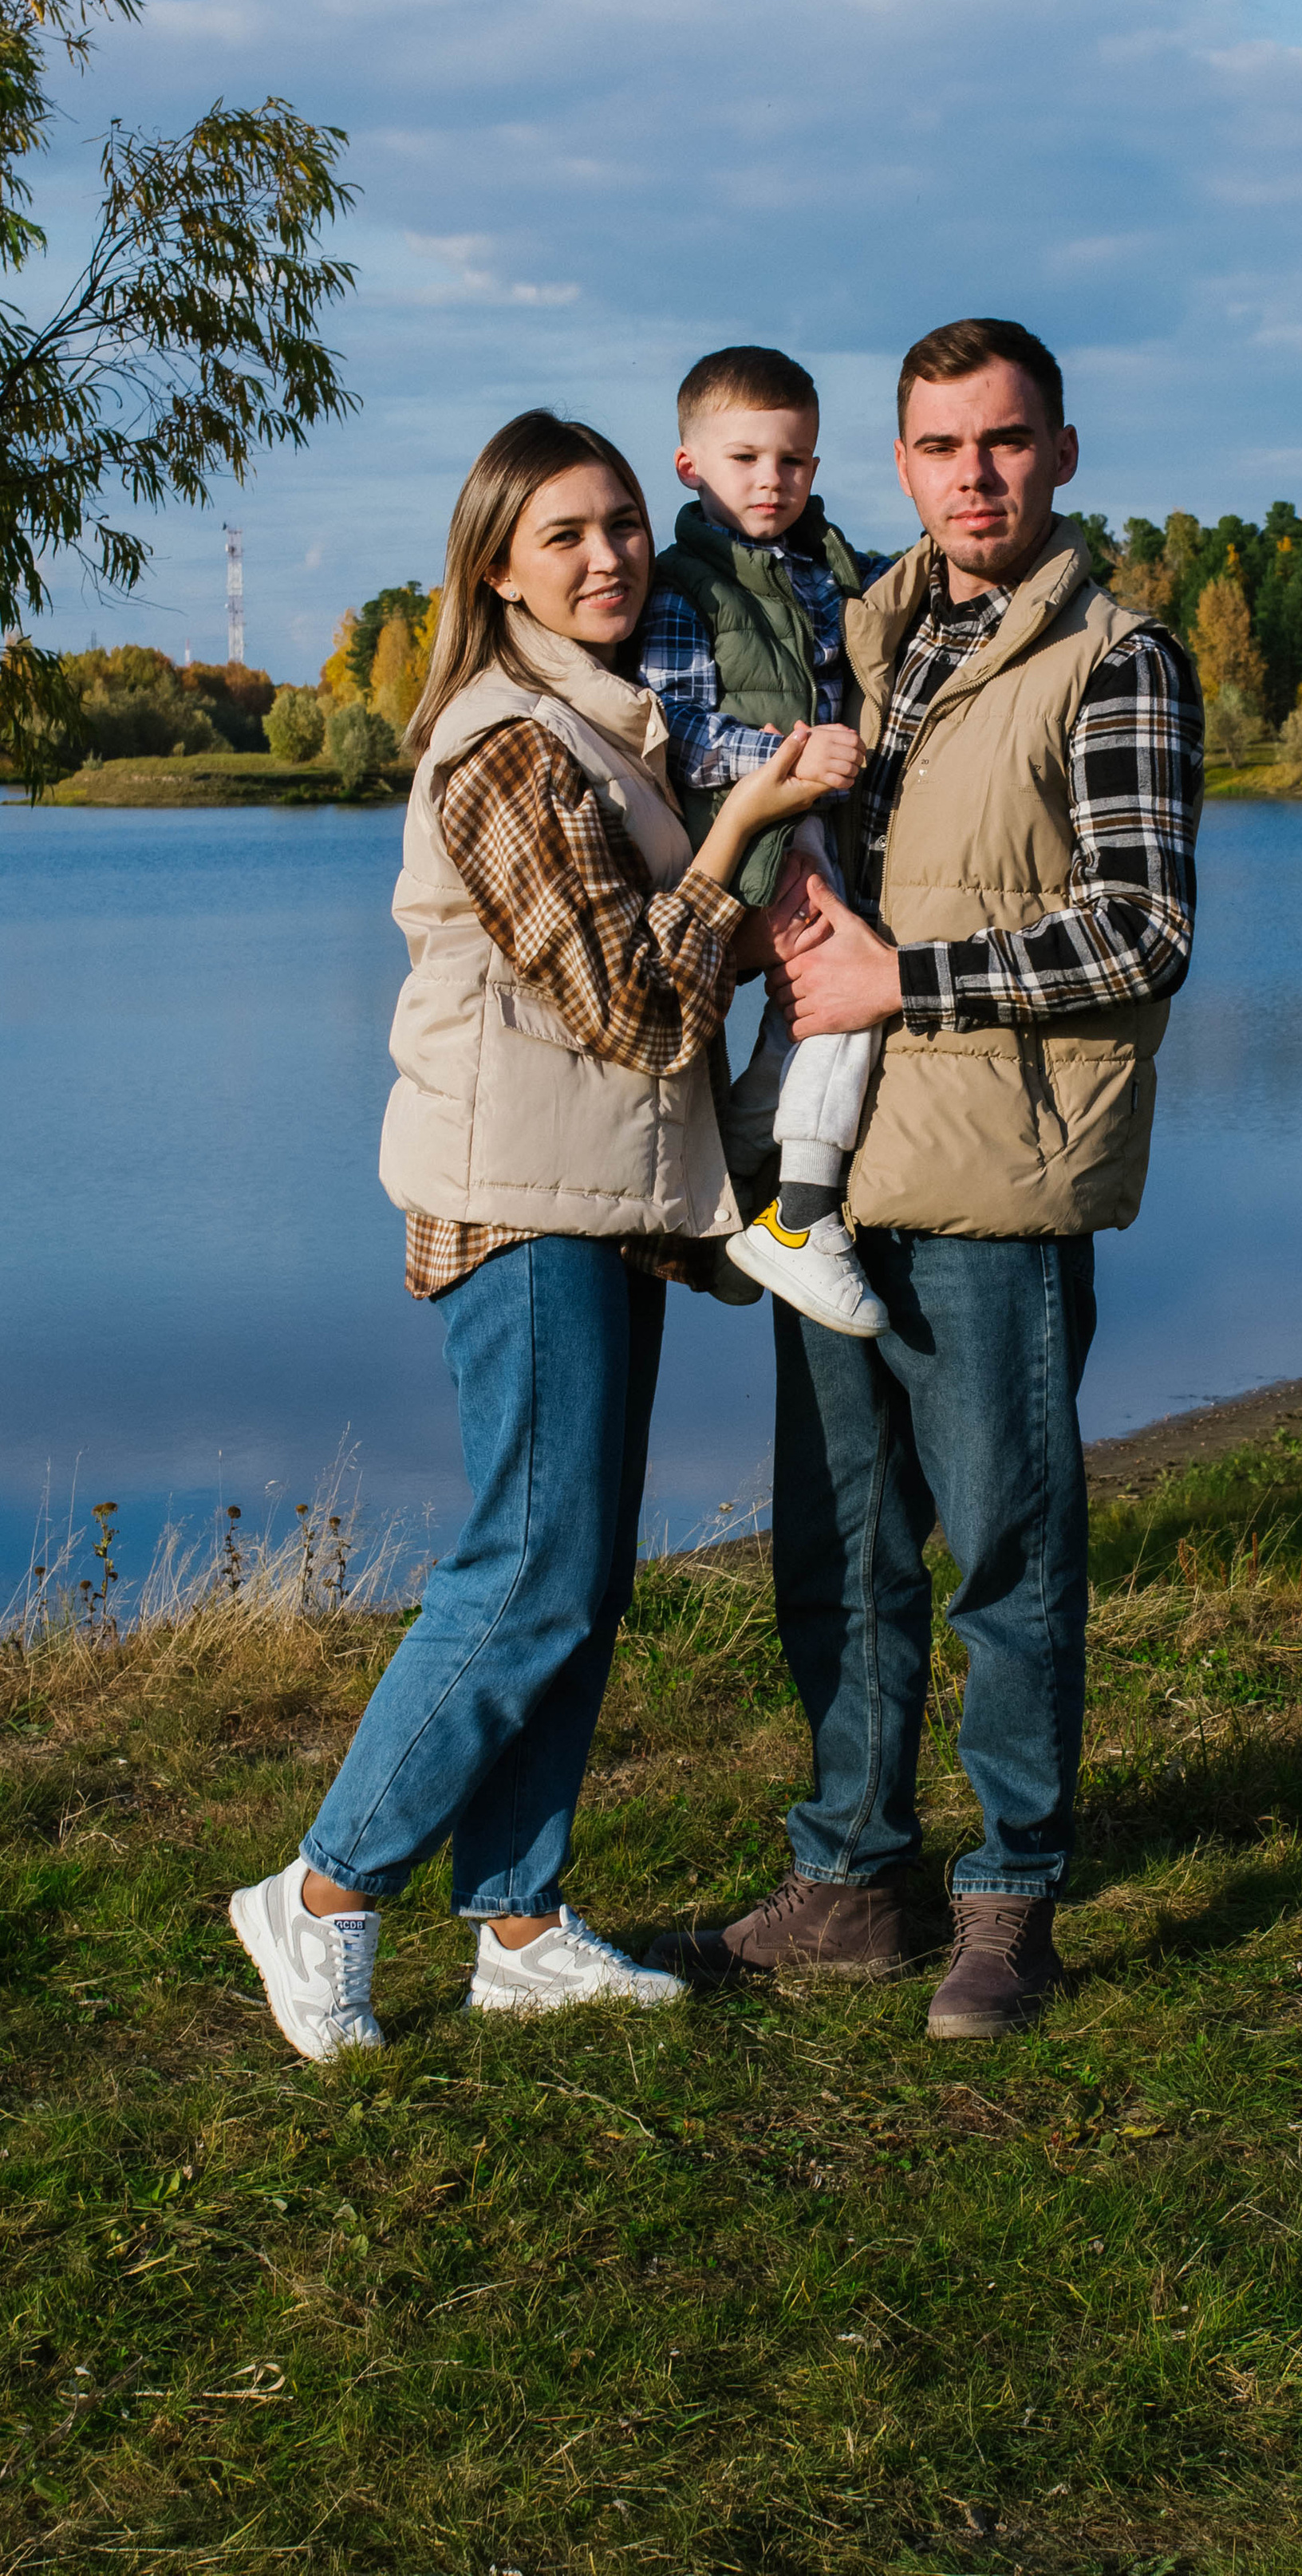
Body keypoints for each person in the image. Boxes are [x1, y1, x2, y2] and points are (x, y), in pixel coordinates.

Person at [231, 410, 854, 2062]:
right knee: (525, 1568)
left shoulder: (612, 726)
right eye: (565, 533)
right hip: (522, 1203)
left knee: (574, 1578)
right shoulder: (509, 743)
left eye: (624, 527)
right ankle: (325, 1891)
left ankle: (516, 1923)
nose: (607, 556)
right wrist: (733, 841)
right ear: (493, 563)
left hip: (608, 1198)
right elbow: (628, 1004)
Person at [704, 318, 1203, 2038]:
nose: (971, 476)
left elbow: (1144, 931)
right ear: (898, 464)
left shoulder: (1117, 658)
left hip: (995, 1175)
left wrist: (902, 982)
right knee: (842, 1549)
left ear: (1060, 452)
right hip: (828, 1181)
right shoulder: (863, 629)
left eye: (1002, 443)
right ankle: (845, 1876)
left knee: (1005, 1549)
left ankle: (1007, 1901)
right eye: (938, 446)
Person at [637, 345, 897, 1339]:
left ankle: (743, 1183)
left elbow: (889, 617)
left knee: (811, 1023)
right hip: (749, 838)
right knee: (845, 998)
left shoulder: (827, 567)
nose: (771, 482)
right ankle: (800, 1220)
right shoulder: (683, 588)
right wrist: (792, 755)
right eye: (744, 459)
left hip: (815, 824)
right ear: (689, 466)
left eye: (792, 461)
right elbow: (684, 735)